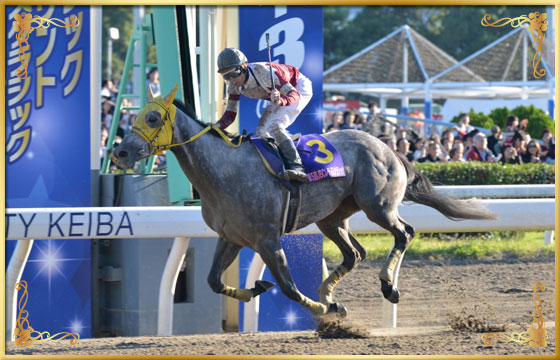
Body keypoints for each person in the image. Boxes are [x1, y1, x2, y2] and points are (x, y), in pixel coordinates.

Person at [215, 48, 312, 182]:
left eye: (234, 73)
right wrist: (217, 125)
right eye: (226, 76)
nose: (232, 79)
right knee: (261, 133)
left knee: (274, 126)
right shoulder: (233, 87)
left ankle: (297, 167)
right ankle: (277, 166)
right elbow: (230, 114)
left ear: (244, 66)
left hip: (299, 88)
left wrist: (281, 100)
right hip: (280, 96)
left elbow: (294, 95)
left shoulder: (264, 72)